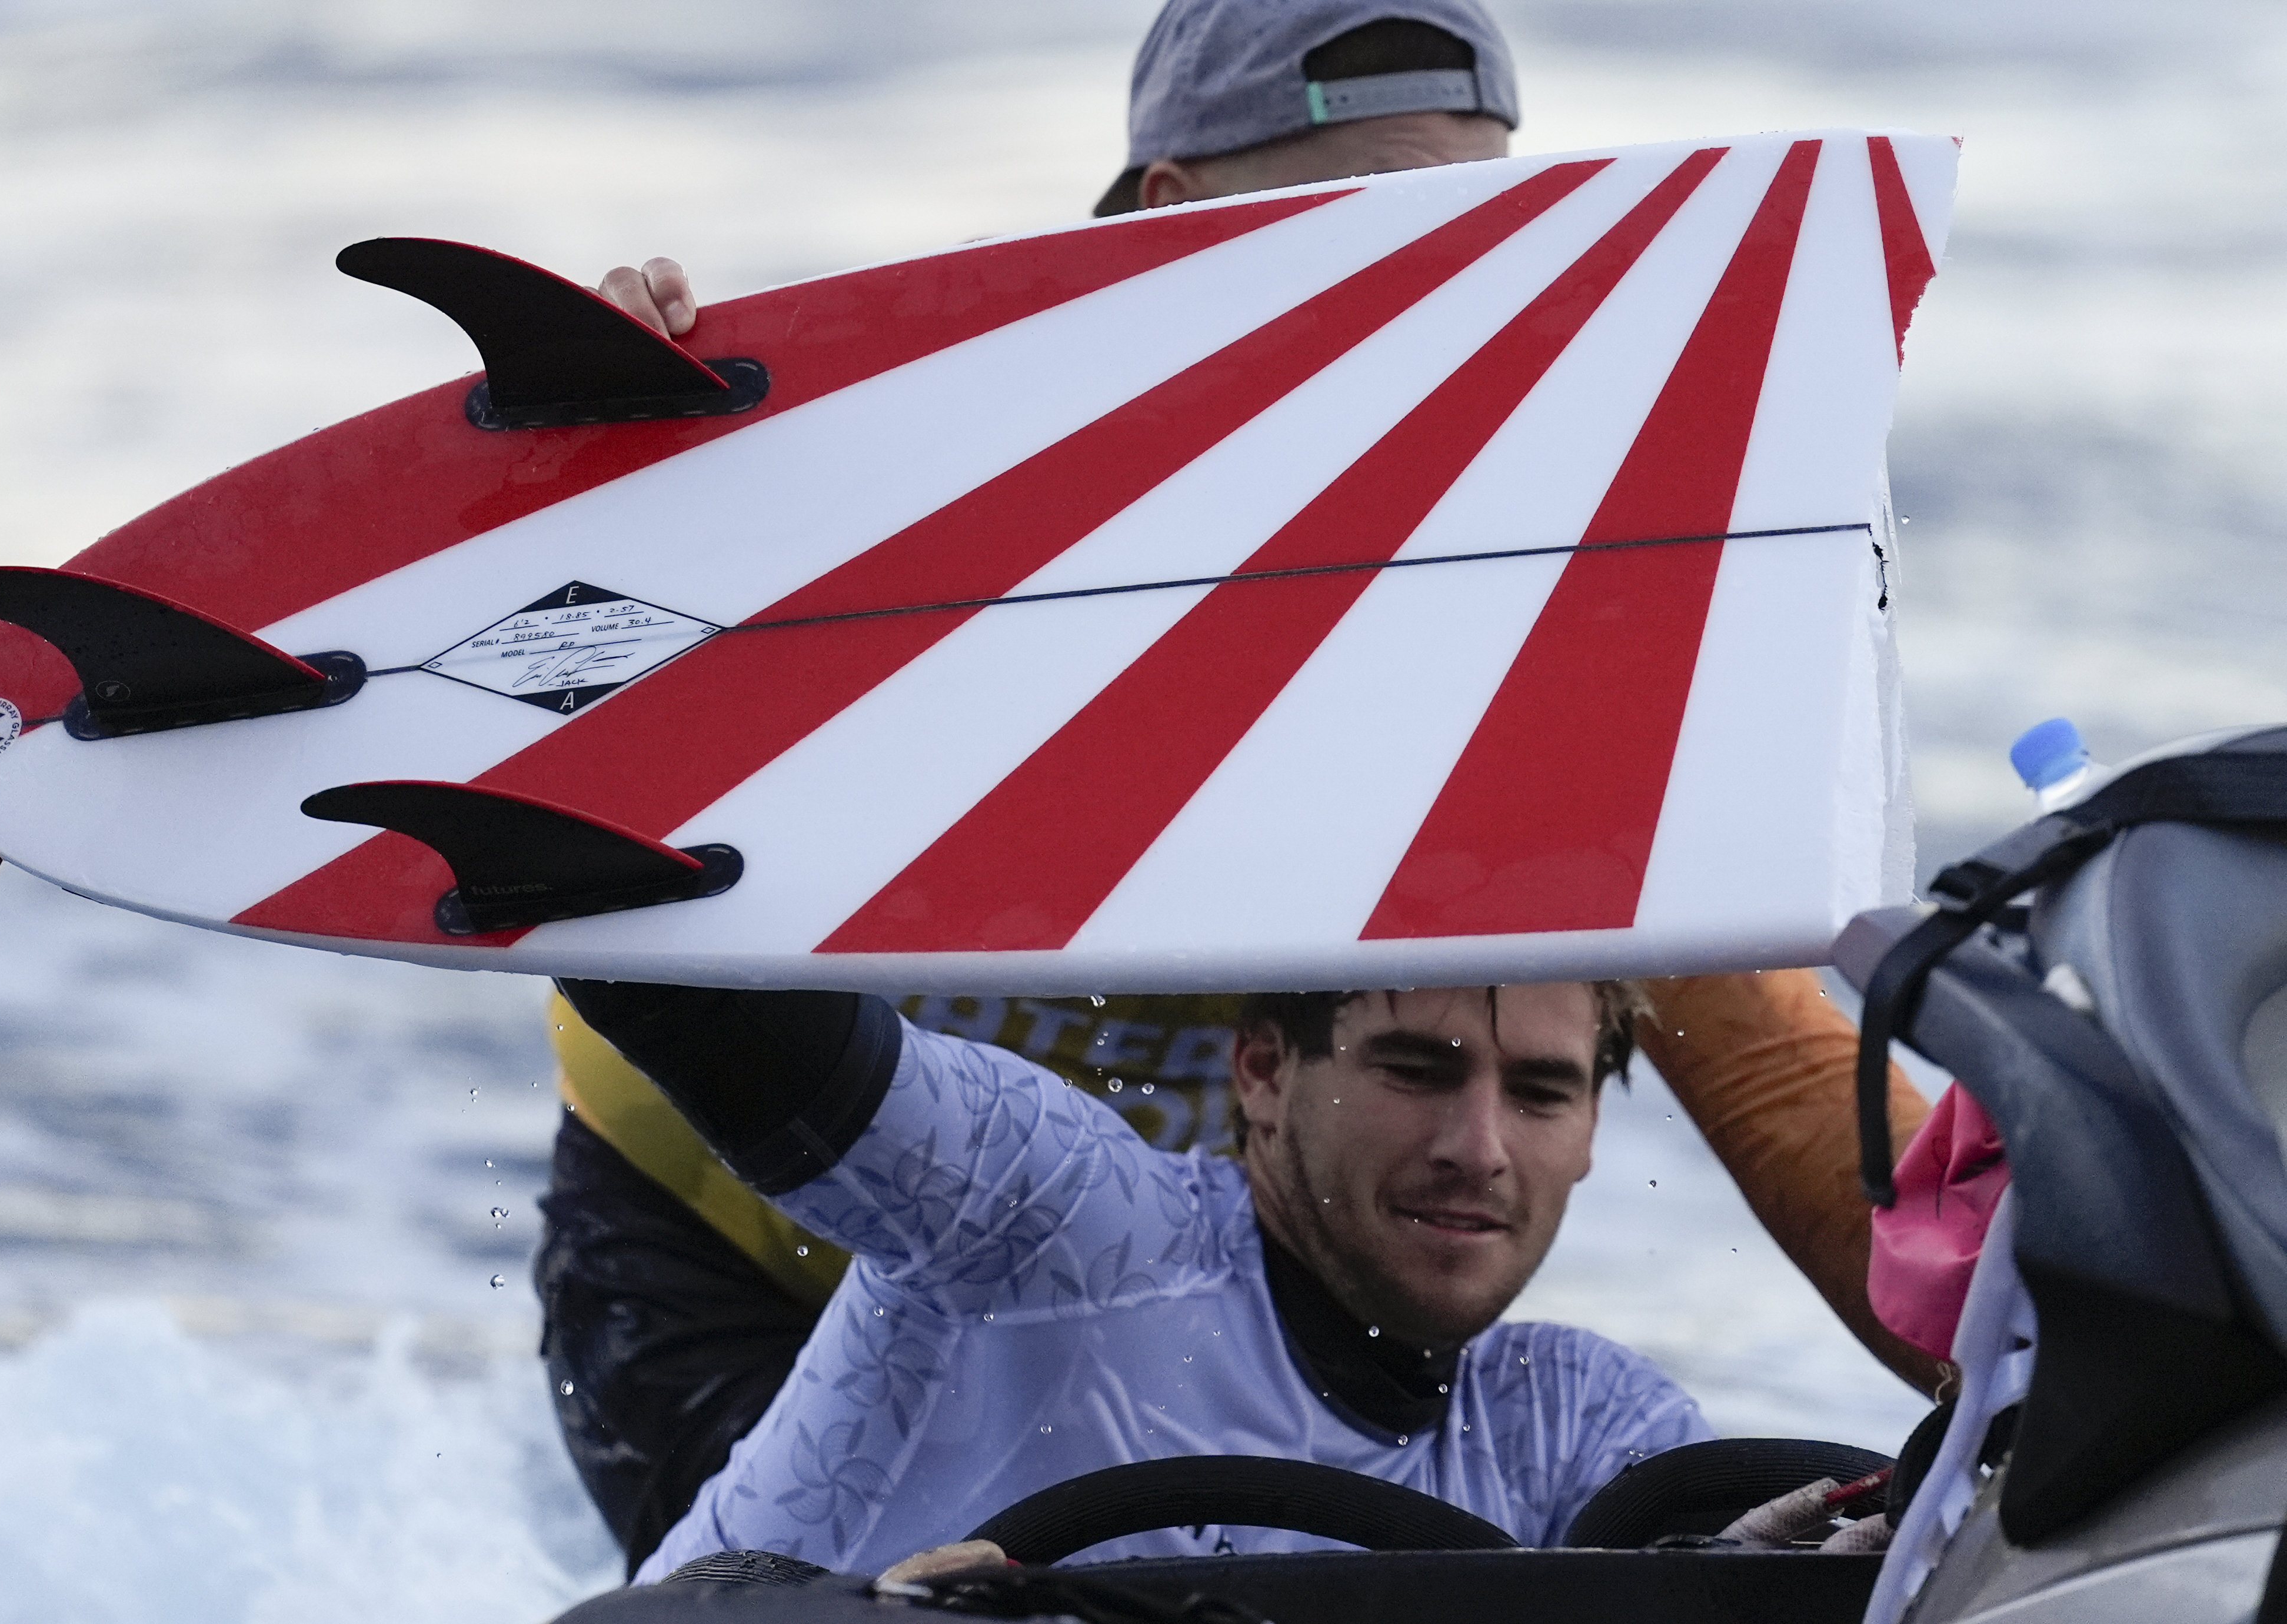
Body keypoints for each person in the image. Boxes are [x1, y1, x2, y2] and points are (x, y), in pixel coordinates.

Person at [538, 0, 1939, 1578]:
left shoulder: (1507, 636)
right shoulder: (939, 503)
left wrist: (2052, 1332)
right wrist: (615, 495)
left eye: (1493, 232)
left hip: (1114, 1303)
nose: (1455, 295)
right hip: (724, 1228)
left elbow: (1787, 1098)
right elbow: (577, 715)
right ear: (1172, 217)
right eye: (1386, 224)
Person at [561, 975, 1710, 1576]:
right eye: (1415, 1070)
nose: (1480, 1147)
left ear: (1593, 1132)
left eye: (1541, 1093)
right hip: (678, 1243)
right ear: (1261, 1071)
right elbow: (696, 1008)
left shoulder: (1574, 1415)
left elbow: (1755, 1563)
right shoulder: (1060, 1208)